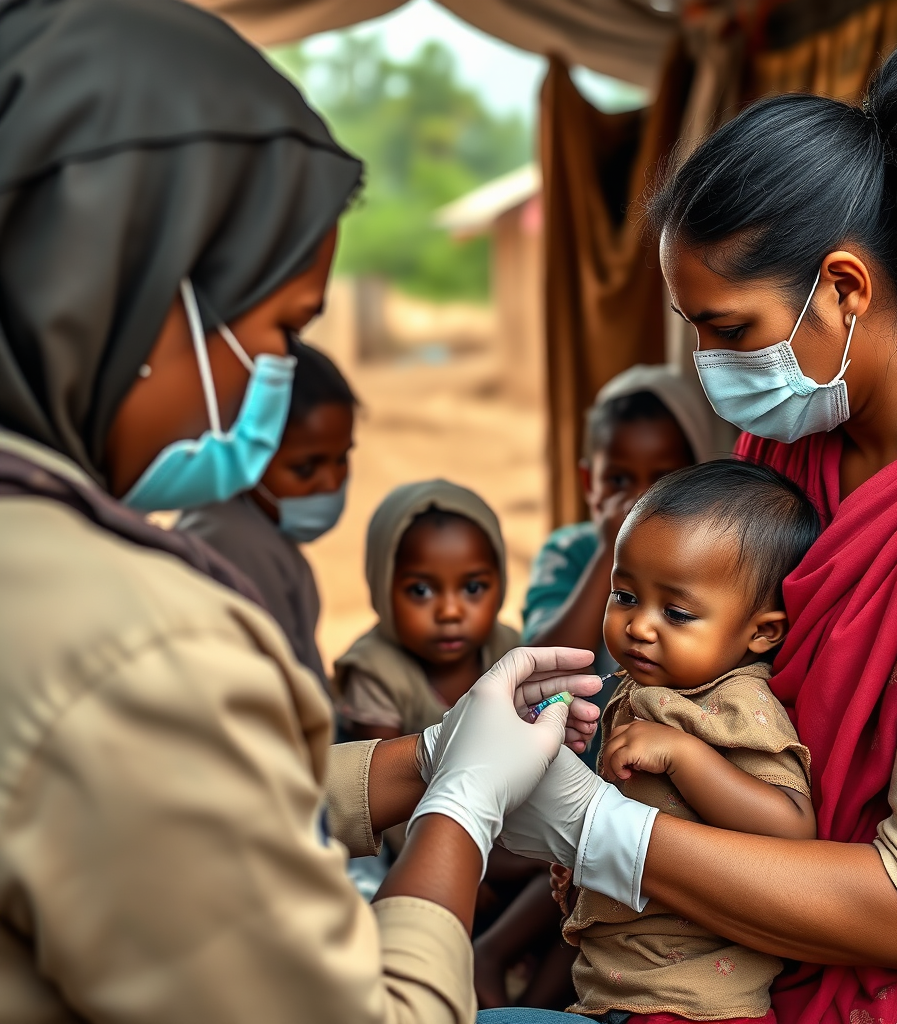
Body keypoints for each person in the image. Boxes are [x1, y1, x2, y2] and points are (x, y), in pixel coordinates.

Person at [0, 2, 602, 1021]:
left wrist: (427, 758)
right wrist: (462, 806)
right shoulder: (133, 645)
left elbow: (166, 824)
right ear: (135, 295)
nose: (272, 381)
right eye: (279, 329)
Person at [466, 31, 897, 1024]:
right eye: (692, 327)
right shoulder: (790, 439)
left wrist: (604, 836)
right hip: (729, 955)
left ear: (843, 290)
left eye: (727, 330)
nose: (709, 364)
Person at [556, 460, 819, 1023]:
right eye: (624, 596)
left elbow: (791, 826)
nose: (640, 627)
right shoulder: (641, 686)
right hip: (620, 990)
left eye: (675, 612)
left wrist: (685, 756)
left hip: (698, 1005)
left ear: (761, 632)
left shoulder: (736, 702)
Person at [522, 365, 736, 758]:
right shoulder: (571, 552)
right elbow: (539, 664)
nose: (640, 498)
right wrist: (609, 552)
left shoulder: (713, 563)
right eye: (618, 480)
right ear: (590, 485)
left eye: (662, 480)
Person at [178, 340, 356, 688]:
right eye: (306, 468)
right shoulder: (234, 544)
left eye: (341, 459)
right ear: (244, 452)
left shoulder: (253, 531)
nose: (332, 482)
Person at [336, 479, 520, 741]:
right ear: (382, 585)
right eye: (421, 591)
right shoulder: (374, 672)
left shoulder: (507, 649)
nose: (450, 612)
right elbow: (381, 777)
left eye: (473, 587)